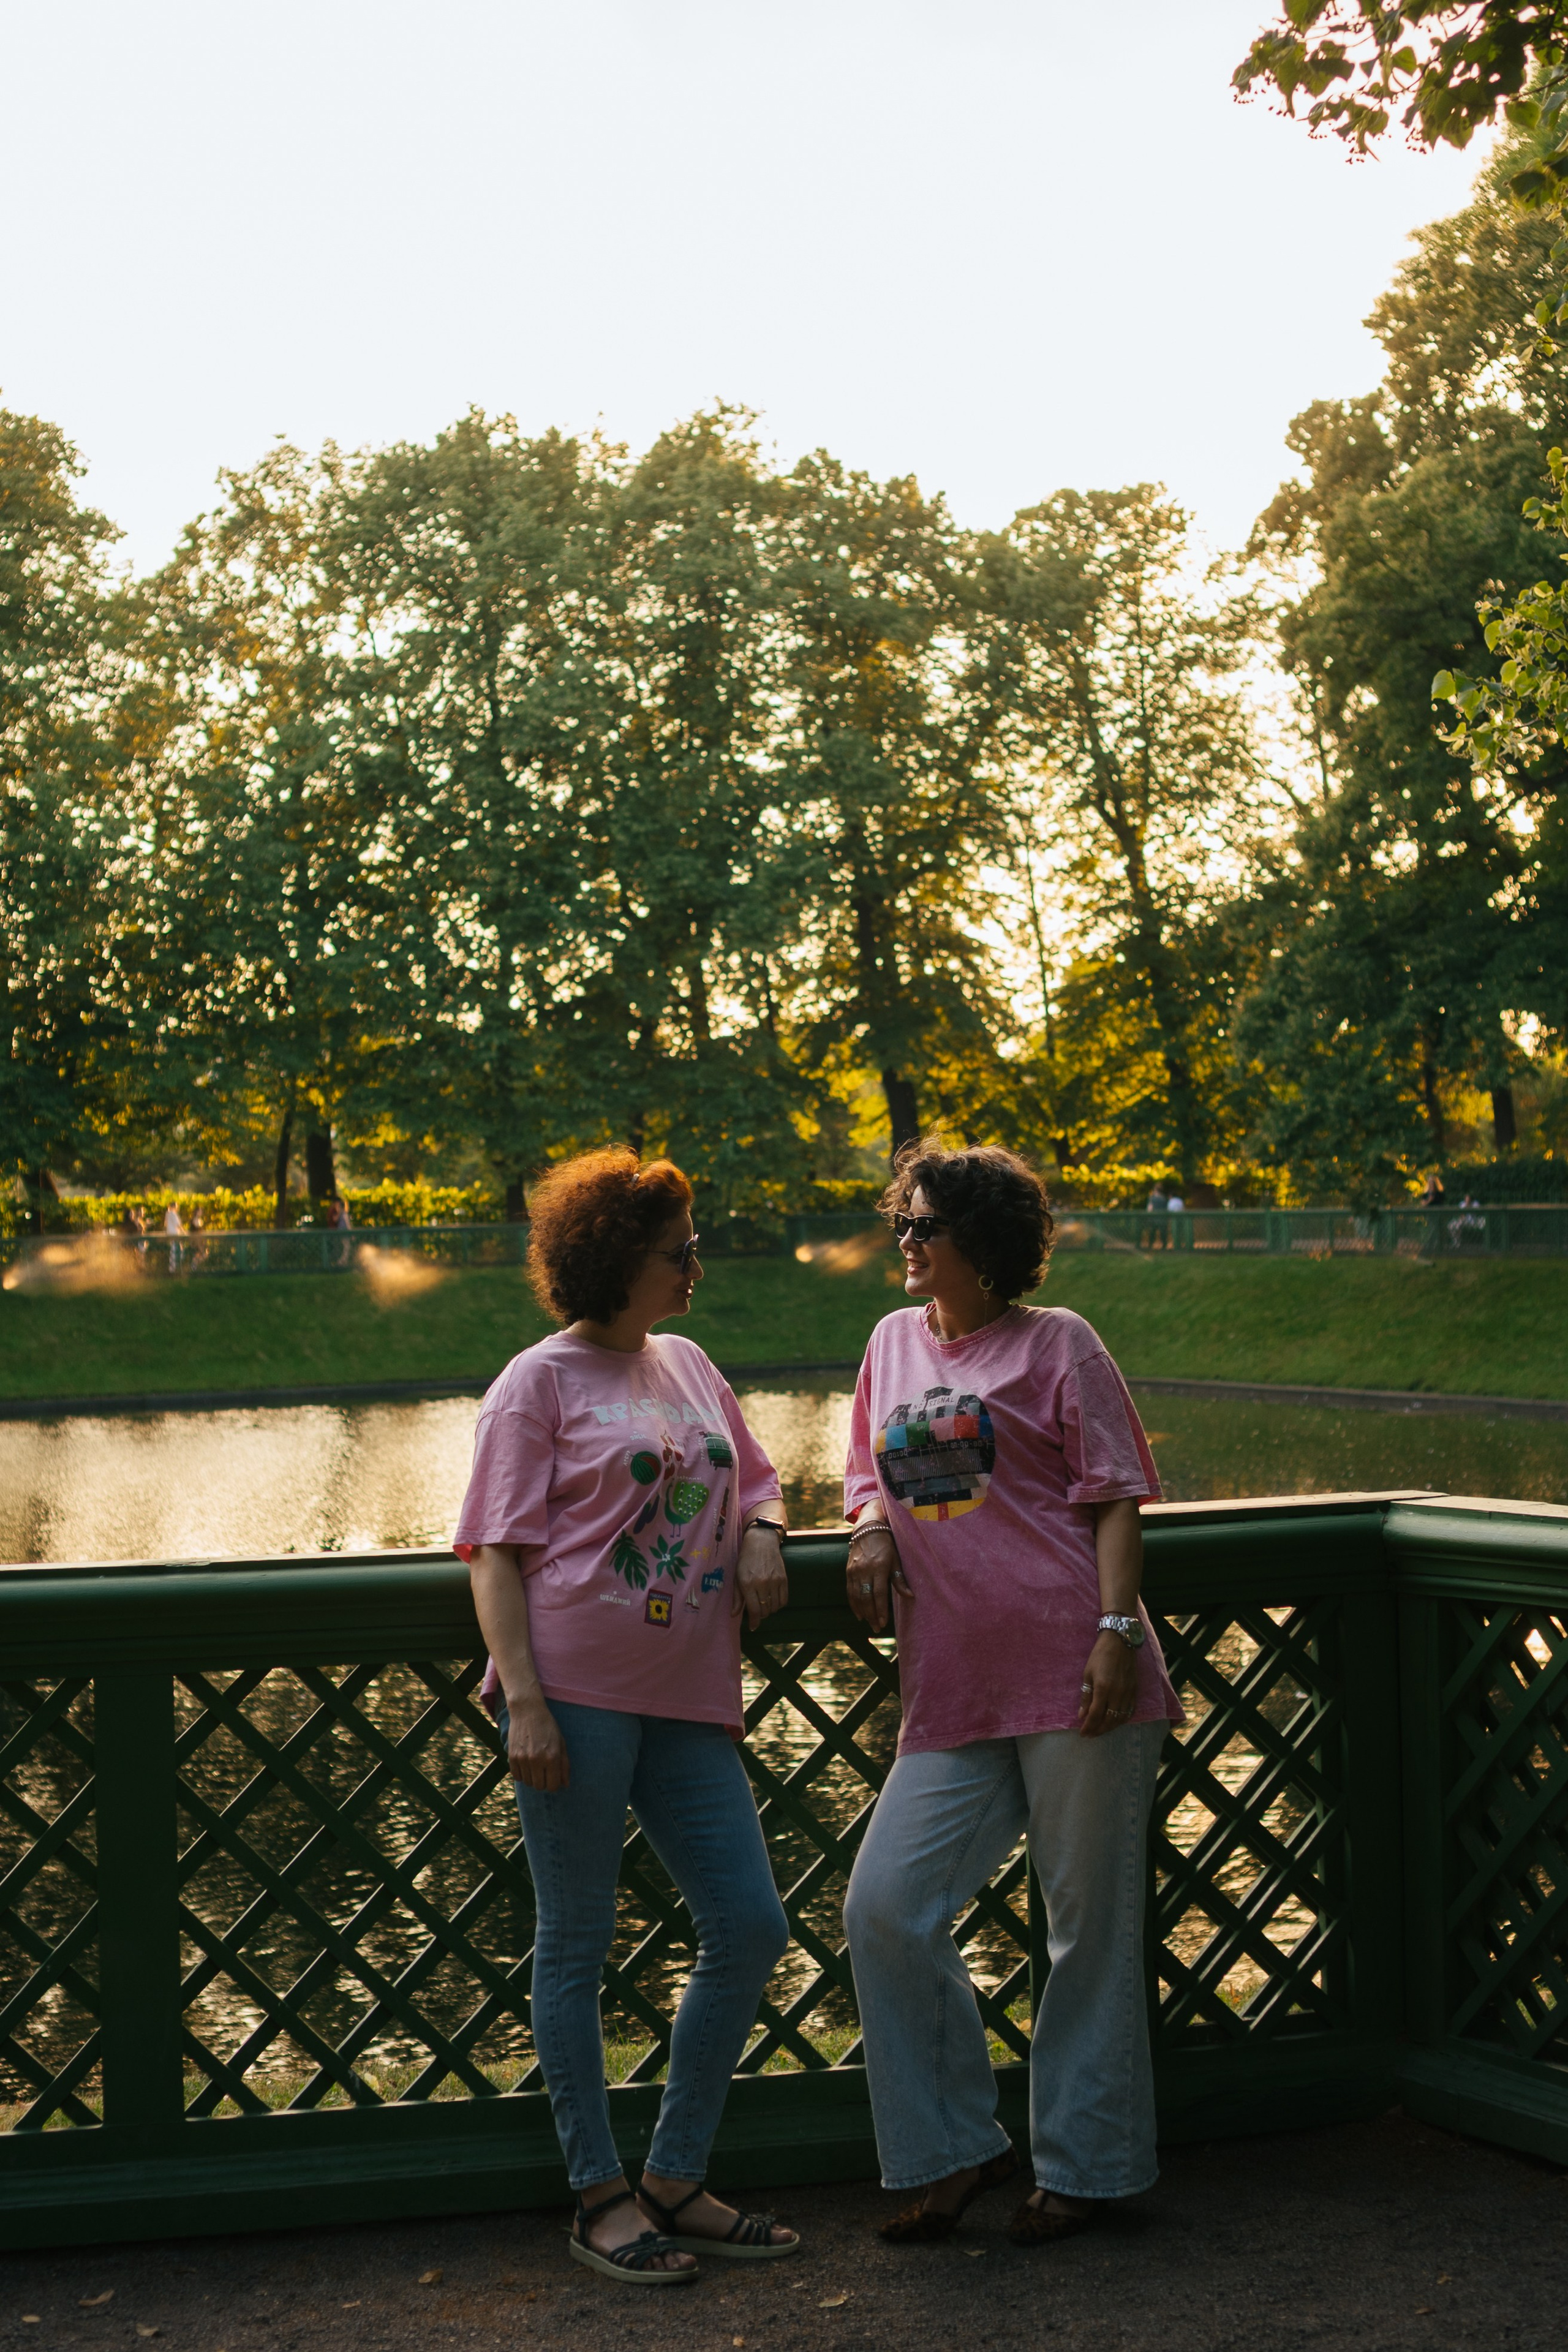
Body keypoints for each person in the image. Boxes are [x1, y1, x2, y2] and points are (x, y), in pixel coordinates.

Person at [454, 1147, 801, 2288]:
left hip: (690, 1698)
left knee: (749, 1925)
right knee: (577, 1945)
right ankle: (599, 2195)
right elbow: (494, 1556)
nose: (696, 1266)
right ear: (615, 1261)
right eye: (677, 1252)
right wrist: (529, 1704)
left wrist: (760, 1532)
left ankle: (673, 2176)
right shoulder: (536, 1384)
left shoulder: (690, 1362)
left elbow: (757, 1477)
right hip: (577, 1696)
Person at [840, 1139, 1183, 2250]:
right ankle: (955, 2151)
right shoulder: (891, 1343)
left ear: (981, 1246)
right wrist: (869, 1527)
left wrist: (1117, 1631)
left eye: (924, 1228)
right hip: (953, 1685)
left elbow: (1116, 1492)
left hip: (1079, 1670)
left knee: (1085, 1931)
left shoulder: (1059, 1344)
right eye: (902, 1222)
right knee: (885, 1909)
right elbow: (863, 1471)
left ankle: (1088, 2167)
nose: (905, 1242)